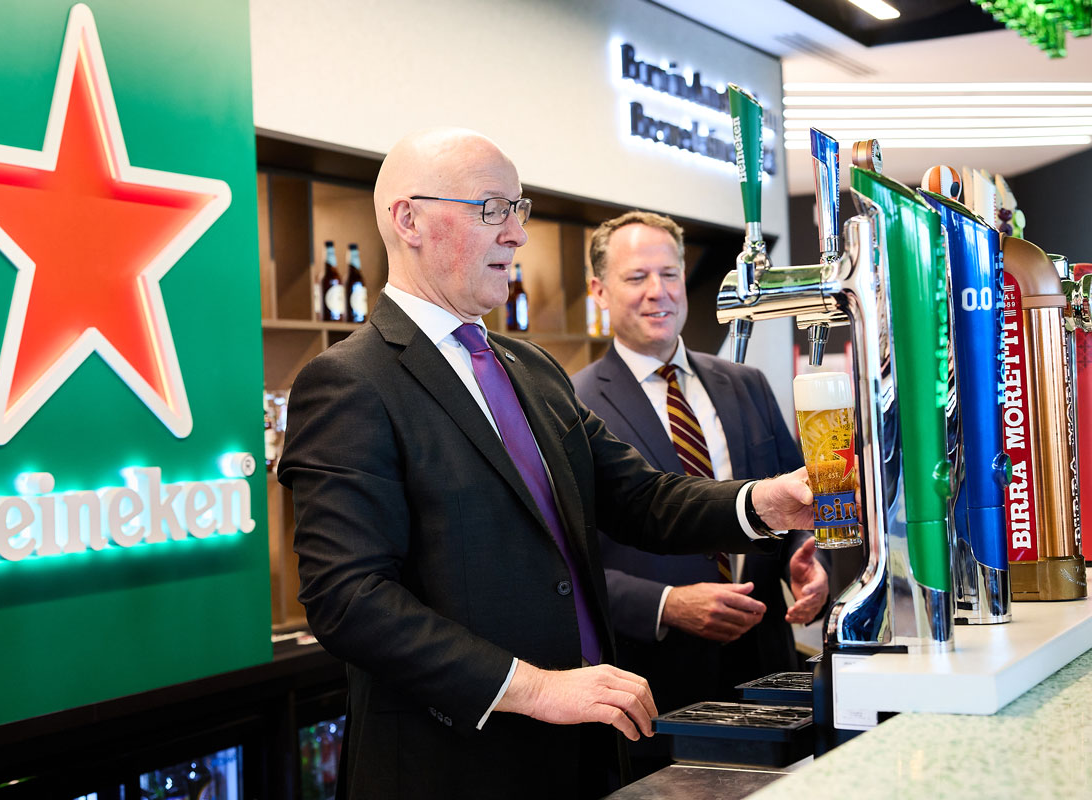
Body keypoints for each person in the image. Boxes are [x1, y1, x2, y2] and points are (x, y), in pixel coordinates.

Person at [277, 127, 815, 800]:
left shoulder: (529, 367)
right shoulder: (350, 380)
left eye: (518, 209)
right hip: (455, 765)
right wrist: (533, 687)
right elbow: (349, 599)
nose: (516, 235)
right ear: (408, 219)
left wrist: (767, 502)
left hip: (583, 747)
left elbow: (640, 498)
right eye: (491, 209)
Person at [572, 211, 829, 776]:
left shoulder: (746, 383)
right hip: (658, 684)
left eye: (669, 274)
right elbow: (569, 564)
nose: (657, 293)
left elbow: (796, 500)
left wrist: (807, 561)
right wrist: (668, 605)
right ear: (599, 290)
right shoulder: (571, 406)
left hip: (767, 665)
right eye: (636, 277)